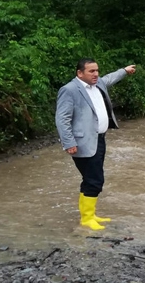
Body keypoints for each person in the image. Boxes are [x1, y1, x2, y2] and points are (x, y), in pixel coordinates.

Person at [55, 58, 136, 230]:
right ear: (80, 73)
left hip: (99, 138)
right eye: (91, 71)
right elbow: (62, 119)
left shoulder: (98, 84)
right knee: (94, 180)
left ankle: (91, 215)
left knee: (92, 178)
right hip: (82, 142)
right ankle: (86, 219)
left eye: (97, 70)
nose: (96, 74)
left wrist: (124, 70)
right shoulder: (69, 90)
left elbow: (109, 79)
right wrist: (69, 142)